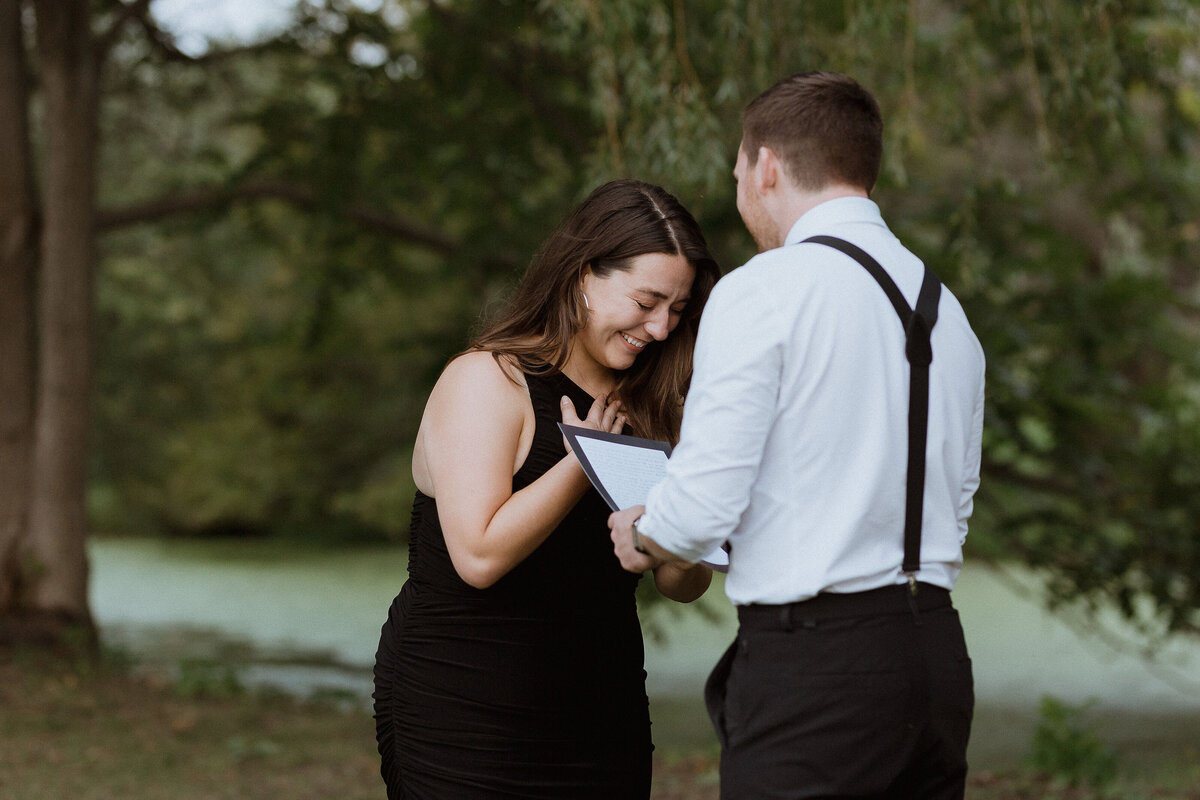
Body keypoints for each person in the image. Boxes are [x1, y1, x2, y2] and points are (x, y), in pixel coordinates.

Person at [609, 72, 985, 799]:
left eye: (739, 173)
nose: (742, 191)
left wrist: (647, 533)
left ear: (767, 166)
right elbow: (956, 497)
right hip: (937, 653)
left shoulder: (766, 290)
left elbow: (703, 509)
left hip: (819, 668)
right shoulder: (947, 313)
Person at [372, 178, 722, 799]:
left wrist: (680, 533)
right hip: (463, 708)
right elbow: (478, 557)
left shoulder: (657, 404)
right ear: (585, 277)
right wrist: (581, 460)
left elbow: (681, 585)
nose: (662, 328)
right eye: (646, 301)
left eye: (678, 308)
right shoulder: (487, 380)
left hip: (601, 714)